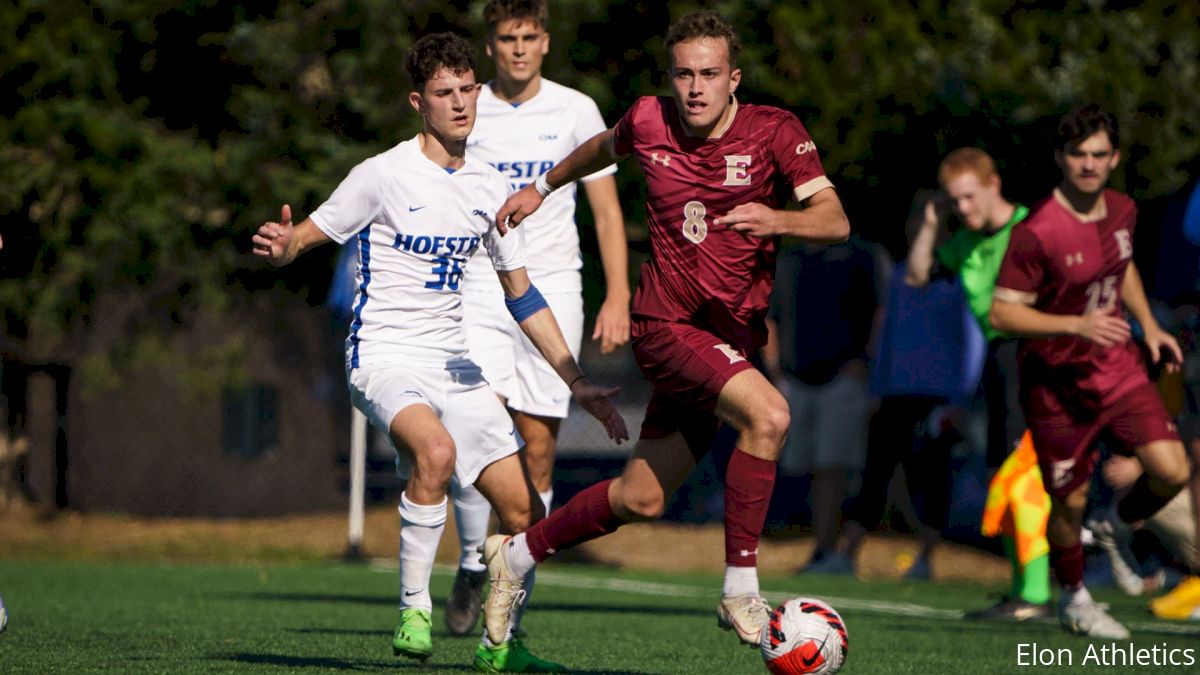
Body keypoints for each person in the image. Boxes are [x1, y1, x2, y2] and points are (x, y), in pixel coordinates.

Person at [251, 32, 628, 673]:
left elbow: (523, 296)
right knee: (436, 452)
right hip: (385, 355)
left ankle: (498, 648)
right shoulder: (384, 174)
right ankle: (413, 610)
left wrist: (577, 381)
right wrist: (285, 245)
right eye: (443, 93)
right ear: (417, 103)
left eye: (466, 90)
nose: (459, 103)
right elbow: (310, 235)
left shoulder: (488, 186)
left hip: (455, 362)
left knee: (524, 512)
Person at [482, 10, 850, 649]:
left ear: (734, 78)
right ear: (671, 77)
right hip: (664, 325)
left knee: (641, 498)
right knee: (769, 417)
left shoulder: (773, 131)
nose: (696, 87)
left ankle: (514, 556)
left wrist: (778, 220)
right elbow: (603, 148)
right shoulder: (650, 118)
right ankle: (741, 591)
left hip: (725, 342)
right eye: (684, 73)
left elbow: (835, 219)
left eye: (709, 73)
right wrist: (541, 186)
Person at [444, 0, 632, 637]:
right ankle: (474, 561)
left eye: (529, 37)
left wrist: (618, 293)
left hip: (555, 284)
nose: (518, 48)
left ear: (545, 42)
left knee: (540, 449)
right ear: (490, 45)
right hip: (480, 285)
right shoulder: (471, 109)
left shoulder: (576, 109)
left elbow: (605, 210)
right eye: (506, 38)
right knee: (480, 429)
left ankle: (510, 586)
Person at [991, 103, 1189, 639]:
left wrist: (1150, 326)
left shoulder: (1123, 209)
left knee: (1172, 470)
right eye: (1078, 154)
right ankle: (1076, 597)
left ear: (1115, 158)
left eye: (1099, 155)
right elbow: (1002, 311)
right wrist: (1076, 326)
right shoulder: (1038, 230)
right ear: (1061, 158)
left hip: (1118, 369)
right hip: (1055, 386)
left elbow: (1122, 270)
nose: (1089, 165)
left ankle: (1114, 526)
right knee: (1069, 500)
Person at [905, 147, 1052, 619]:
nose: (963, 210)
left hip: (1037, 358)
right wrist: (931, 224)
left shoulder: (1033, 229)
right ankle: (1023, 589)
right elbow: (917, 275)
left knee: (1024, 476)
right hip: (999, 362)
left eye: (969, 199)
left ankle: (1038, 593)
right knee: (1004, 471)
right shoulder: (965, 241)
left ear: (994, 186)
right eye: (954, 203)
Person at [761, 235, 886, 570]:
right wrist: (776, 372)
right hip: (796, 379)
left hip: (843, 377)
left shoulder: (860, 255)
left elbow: (880, 311)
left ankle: (830, 550)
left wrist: (864, 362)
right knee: (806, 467)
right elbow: (768, 317)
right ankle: (825, 548)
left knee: (833, 467)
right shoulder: (788, 259)